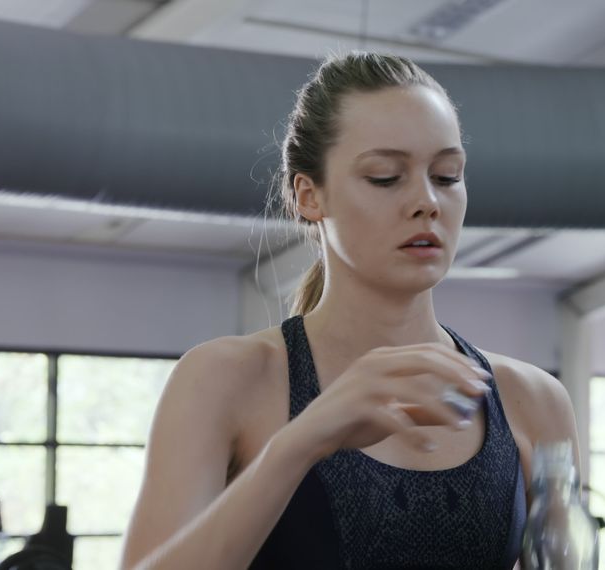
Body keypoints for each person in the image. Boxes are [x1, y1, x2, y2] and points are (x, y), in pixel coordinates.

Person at [120, 52, 579, 570]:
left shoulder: (533, 400)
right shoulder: (225, 380)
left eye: (447, 176)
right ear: (310, 196)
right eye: (386, 177)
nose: (427, 202)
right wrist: (305, 439)